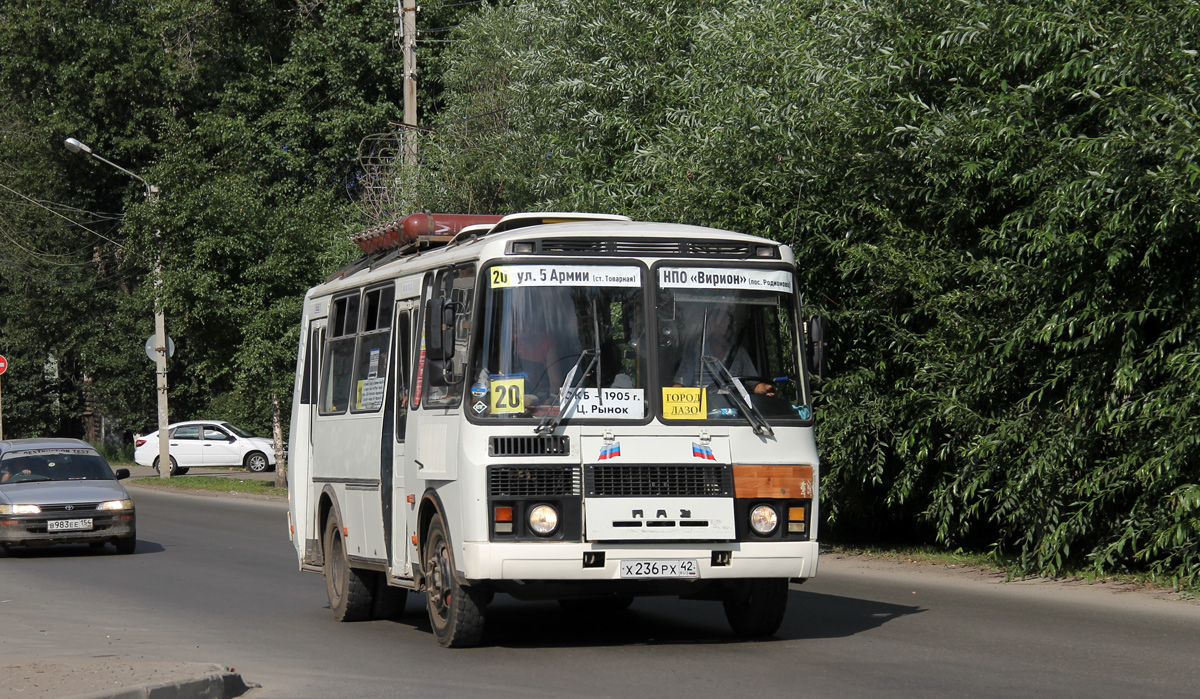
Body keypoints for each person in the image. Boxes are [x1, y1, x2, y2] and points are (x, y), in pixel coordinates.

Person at [672, 308, 775, 396]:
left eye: (726, 326)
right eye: (718, 326)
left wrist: (765, 388)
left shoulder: (739, 353)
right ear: (709, 328)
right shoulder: (695, 352)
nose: (723, 330)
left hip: (735, 411)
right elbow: (679, 386)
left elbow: (755, 386)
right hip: (703, 412)